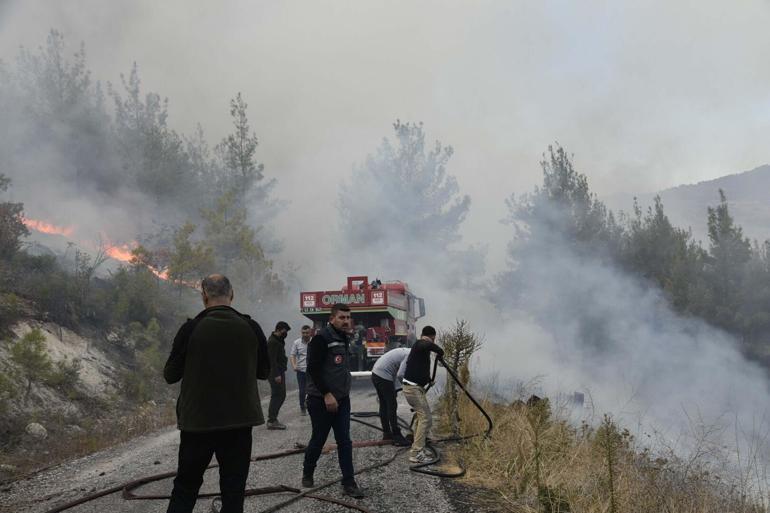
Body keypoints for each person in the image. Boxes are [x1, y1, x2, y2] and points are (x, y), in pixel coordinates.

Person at [162, 274, 269, 513]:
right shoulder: (251, 327)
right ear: (232, 294)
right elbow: (263, 372)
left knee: (185, 488)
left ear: (204, 296)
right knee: (233, 490)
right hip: (239, 423)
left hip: (198, 423)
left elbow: (170, 375)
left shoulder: (191, 328)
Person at [302, 303, 364, 499]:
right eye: (342, 318)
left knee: (344, 441)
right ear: (332, 319)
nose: (346, 321)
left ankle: (349, 482)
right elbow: (312, 369)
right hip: (320, 400)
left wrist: (339, 394)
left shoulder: (344, 337)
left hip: (342, 400)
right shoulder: (321, 339)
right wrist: (327, 394)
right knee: (318, 439)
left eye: (348, 317)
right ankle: (307, 472)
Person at [402, 325, 444, 464]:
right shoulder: (421, 344)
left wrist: (428, 380)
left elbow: (419, 368)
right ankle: (416, 453)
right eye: (433, 338)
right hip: (412, 389)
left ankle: (419, 447)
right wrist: (439, 350)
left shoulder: (421, 349)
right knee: (426, 418)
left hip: (415, 388)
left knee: (422, 418)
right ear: (432, 336)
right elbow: (425, 345)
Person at [370, 347, 411, 446]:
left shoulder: (406, 351)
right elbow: (400, 374)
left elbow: (391, 369)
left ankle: (387, 433)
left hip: (375, 373)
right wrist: (407, 386)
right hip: (383, 375)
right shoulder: (409, 355)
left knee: (384, 404)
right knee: (392, 405)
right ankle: (397, 436)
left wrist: (393, 387)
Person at [267, 321, 291, 430]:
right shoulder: (273, 342)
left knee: (279, 395)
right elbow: (271, 360)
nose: (285, 334)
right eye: (284, 331)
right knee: (278, 395)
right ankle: (272, 420)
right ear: (279, 329)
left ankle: (272, 419)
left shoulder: (278, 340)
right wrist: (276, 374)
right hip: (275, 373)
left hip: (279, 372)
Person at [290, 325, 312, 415]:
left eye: (307, 332)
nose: (305, 334)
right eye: (303, 332)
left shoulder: (314, 341)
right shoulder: (297, 343)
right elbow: (292, 355)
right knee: (302, 390)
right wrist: (294, 365)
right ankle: (302, 407)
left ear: (310, 332)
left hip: (312, 371)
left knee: (312, 390)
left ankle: (311, 405)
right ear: (301, 332)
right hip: (301, 370)